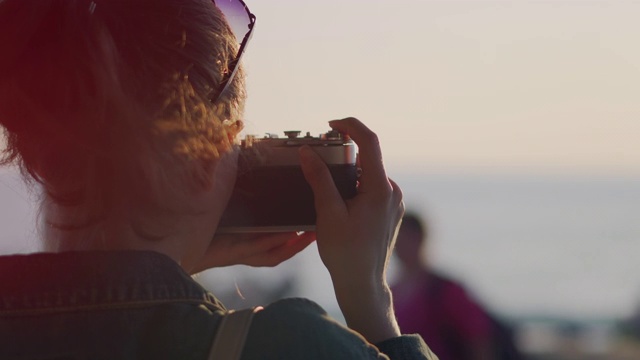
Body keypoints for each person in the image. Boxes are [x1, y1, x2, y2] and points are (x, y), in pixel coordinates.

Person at [0, 0, 437, 359]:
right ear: (208, 154)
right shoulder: (290, 345)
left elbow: (100, 316)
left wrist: (161, 264)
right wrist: (370, 300)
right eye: (237, 150)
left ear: (37, 153)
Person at [391, 213, 495, 360]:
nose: (398, 245)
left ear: (421, 238)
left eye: (404, 238)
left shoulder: (445, 289)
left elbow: (479, 338)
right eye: (394, 238)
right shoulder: (389, 292)